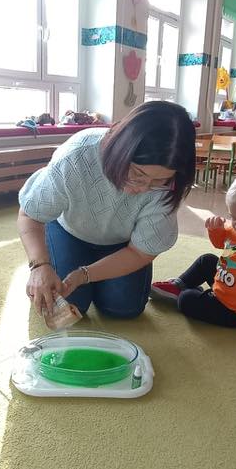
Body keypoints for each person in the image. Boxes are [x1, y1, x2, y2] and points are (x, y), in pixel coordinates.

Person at [17, 101, 196, 320]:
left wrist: (84, 275)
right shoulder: (77, 156)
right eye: (137, 174)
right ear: (120, 148)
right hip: (69, 230)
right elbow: (30, 215)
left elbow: (140, 252)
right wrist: (39, 265)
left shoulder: (171, 185)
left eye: (159, 181)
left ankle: (92, 279)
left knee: (124, 308)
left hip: (123, 244)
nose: (142, 188)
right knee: (69, 303)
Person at [151, 169, 236, 355]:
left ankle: (185, 293)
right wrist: (216, 230)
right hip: (227, 279)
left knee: (186, 300)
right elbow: (222, 244)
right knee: (207, 260)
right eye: (233, 217)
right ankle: (178, 284)